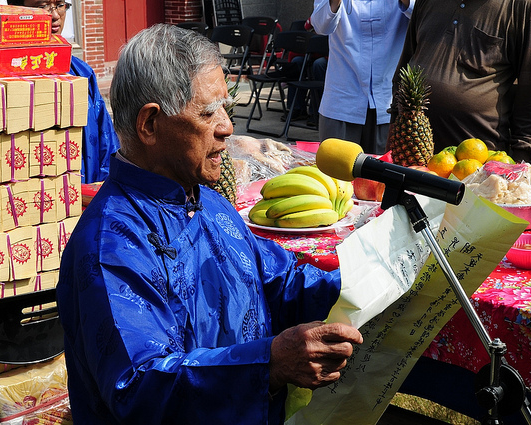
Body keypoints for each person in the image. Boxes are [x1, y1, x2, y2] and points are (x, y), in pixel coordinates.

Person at [56, 24, 363, 424]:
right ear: (150, 124)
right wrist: (266, 365)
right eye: (207, 112)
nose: (227, 127)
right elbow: (140, 386)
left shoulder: (208, 202)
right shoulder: (110, 245)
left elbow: (280, 281)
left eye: (226, 107)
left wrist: (366, 279)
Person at [390, 0, 531, 163]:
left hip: (478, 167)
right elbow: (404, 71)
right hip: (410, 155)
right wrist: (395, 136)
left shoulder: (524, 6)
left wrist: (519, 165)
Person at [8, 0, 120, 184]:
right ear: (15, 8)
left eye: (60, 4)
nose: (54, 16)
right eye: (42, 5)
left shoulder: (81, 72)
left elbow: (106, 144)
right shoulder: (6, 79)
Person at [310, 0, 414, 155]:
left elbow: (423, 16)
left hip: (389, 101)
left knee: (384, 174)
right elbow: (320, 26)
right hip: (342, 101)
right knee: (335, 174)